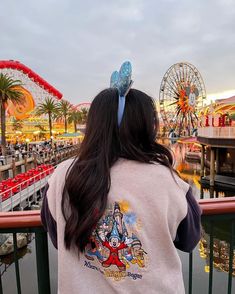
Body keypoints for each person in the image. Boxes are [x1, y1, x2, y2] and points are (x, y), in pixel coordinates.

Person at [41, 62, 201, 294]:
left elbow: (58, 238)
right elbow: (189, 238)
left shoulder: (62, 176)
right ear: (146, 127)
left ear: (94, 125)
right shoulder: (166, 180)